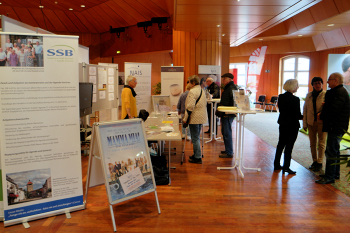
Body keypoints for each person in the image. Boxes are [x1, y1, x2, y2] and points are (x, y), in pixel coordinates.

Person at [316, 72, 350, 184]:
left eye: (329, 79)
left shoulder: (338, 92)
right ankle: (335, 173)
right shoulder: (338, 92)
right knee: (334, 151)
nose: (327, 81)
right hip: (336, 125)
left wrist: (322, 115)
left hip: (335, 126)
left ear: (336, 81)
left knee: (331, 151)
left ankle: (330, 176)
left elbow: (333, 110)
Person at [273, 79, 303, 174]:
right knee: (289, 146)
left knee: (280, 144)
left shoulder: (280, 97)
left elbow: (281, 110)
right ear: (293, 86)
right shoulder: (295, 99)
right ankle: (286, 167)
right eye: (297, 85)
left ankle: (276, 164)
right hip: (292, 125)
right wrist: (306, 116)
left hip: (283, 123)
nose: (298, 87)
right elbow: (298, 115)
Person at [303, 77, 327, 172]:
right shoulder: (309, 95)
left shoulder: (326, 95)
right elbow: (305, 110)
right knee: (312, 143)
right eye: (316, 83)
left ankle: (320, 162)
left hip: (322, 123)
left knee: (321, 143)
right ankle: (315, 161)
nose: (318, 85)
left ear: (322, 84)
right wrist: (304, 123)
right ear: (312, 85)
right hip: (311, 122)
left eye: (320, 83)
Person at [183, 75, 208, 164]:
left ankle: (197, 157)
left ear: (193, 83)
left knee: (195, 138)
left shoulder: (192, 91)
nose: (188, 84)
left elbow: (190, 107)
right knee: (196, 137)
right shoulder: (202, 90)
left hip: (194, 117)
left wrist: (185, 118)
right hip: (201, 117)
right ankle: (196, 154)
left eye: (189, 82)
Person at [217, 73, 238, 158]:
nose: (223, 80)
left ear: (230, 79)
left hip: (228, 114)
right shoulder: (229, 87)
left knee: (227, 133)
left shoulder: (231, 88)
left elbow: (234, 102)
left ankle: (229, 152)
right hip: (226, 113)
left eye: (224, 78)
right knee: (225, 132)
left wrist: (230, 112)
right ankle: (227, 150)